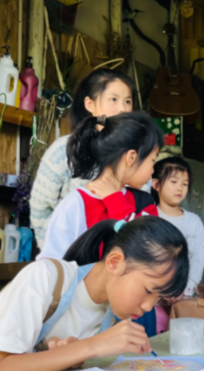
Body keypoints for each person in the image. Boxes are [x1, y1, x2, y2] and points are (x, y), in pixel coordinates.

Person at [0, 217, 189, 371]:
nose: (148, 306)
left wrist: (68, 358)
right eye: (148, 290)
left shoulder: (109, 311)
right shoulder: (45, 277)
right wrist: (91, 346)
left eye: (158, 299)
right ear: (115, 262)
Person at [30, 70, 136, 249]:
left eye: (128, 101)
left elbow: (141, 206)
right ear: (90, 104)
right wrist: (55, 252)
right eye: (113, 99)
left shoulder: (133, 154)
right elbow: (40, 206)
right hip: (70, 260)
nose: (122, 109)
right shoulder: (64, 150)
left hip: (118, 261)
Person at [38, 111, 162, 261]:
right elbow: (51, 263)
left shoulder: (144, 203)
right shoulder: (76, 203)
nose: (153, 170)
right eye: (153, 161)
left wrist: (115, 201)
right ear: (131, 158)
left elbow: (153, 249)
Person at [150, 157, 204, 333]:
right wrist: (159, 290)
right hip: (151, 301)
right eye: (174, 182)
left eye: (185, 184)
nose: (179, 188)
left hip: (184, 300)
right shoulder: (149, 218)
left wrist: (184, 290)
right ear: (156, 185)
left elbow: (197, 260)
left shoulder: (194, 223)